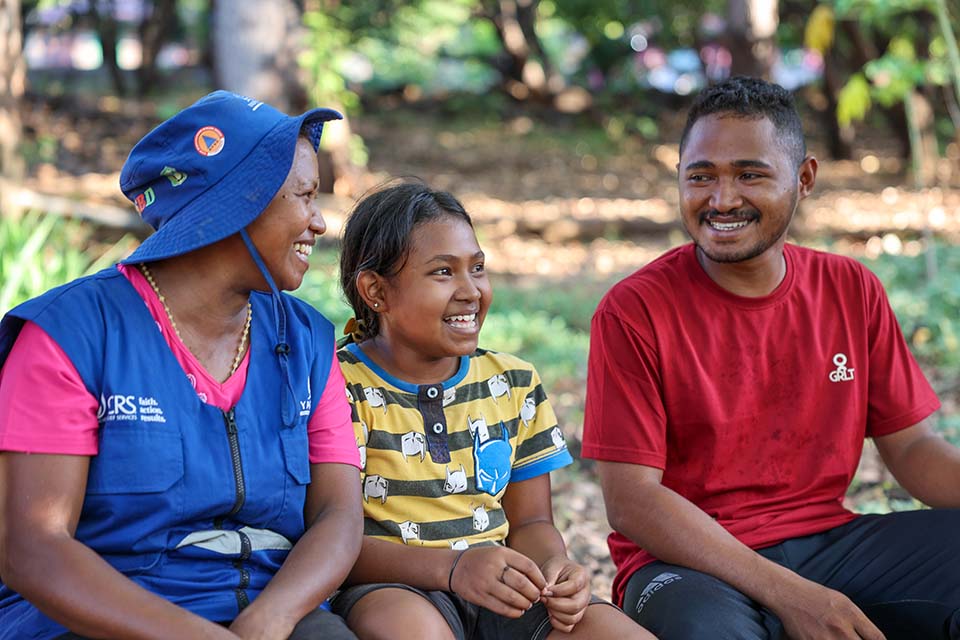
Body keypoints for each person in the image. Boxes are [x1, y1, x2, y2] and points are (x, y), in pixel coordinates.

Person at [582, 75, 960, 640]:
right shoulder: (633, 310)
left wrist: (810, 591)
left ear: (804, 179)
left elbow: (910, 447)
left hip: (829, 541)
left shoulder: (850, 289)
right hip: (687, 567)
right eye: (701, 177)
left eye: (750, 174)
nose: (722, 199)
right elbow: (633, 502)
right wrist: (794, 598)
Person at [0, 91, 363, 640]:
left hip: (268, 611)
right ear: (240, 201)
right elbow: (33, 546)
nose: (319, 223)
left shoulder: (306, 339)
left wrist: (273, 617)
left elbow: (339, 513)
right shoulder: (69, 336)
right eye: (304, 196)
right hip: (100, 621)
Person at [330, 181, 653, 640]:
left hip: (499, 581)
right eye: (443, 272)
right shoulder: (339, 386)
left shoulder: (513, 382)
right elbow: (330, 538)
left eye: (477, 268)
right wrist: (454, 567)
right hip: (391, 585)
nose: (470, 290)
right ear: (375, 291)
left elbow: (532, 522)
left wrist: (554, 568)